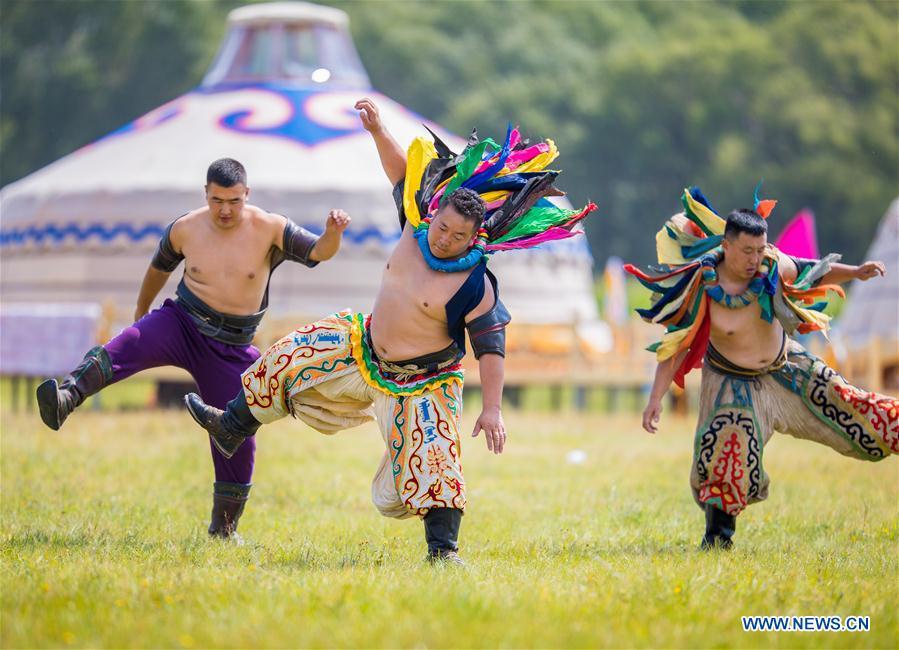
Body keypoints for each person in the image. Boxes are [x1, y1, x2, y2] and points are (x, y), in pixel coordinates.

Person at [183, 98, 596, 564]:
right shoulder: (415, 220)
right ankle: (231, 426)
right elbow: (401, 173)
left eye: (458, 237)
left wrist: (494, 410)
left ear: (475, 238)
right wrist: (378, 129)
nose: (444, 239)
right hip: (365, 348)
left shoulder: (475, 284)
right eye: (442, 228)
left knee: (437, 460)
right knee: (288, 353)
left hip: (424, 382)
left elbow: (491, 350)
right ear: (434, 216)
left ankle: (443, 552)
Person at [36, 158, 350, 538]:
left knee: (235, 436)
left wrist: (333, 232)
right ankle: (67, 397)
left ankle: (224, 529)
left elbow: (319, 252)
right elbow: (157, 269)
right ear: (206, 194)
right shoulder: (185, 228)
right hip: (182, 322)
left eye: (234, 200)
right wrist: (141, 312)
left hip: (233, 346)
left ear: (246, 195)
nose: (225, 210)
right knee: (127, 344)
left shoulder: (270, 227)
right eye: (217, 200)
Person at [628, 186, 896, 549]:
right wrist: (655, 399)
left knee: (854, 404)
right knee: (728, 448)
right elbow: (676, 345)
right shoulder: (701, 288)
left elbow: (812, 272)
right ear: (726, 245)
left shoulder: (772, 264)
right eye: (746, 251)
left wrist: (857, 272)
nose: (755, 258)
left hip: (786, 367)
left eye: (759, 249)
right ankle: (717, 540)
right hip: (731, 382)